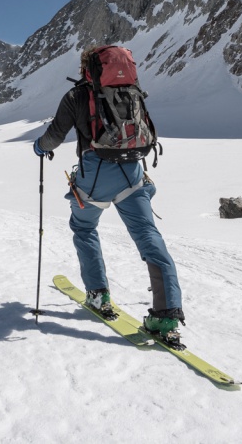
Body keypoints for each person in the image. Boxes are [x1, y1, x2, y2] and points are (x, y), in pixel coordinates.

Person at [32, 47, 186, 343]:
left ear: (87, 68)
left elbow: (54, 135)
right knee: (148, 235)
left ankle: (98, 295)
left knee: (84, 227)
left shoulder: (77, 96)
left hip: (95, 179)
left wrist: (40, 147)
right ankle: (166, 316)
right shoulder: (132, 91)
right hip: (133, 175)